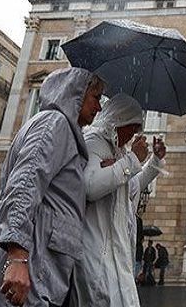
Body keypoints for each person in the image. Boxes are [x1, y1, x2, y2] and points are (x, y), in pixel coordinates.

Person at [0, 67, 103, 307]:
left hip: (44, 256)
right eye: (96, 97)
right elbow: (25, 184)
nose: (99, 107)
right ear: (77, 93)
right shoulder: (54, 123)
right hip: (34, 253)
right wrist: (18, 255)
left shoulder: (66, 131)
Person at [70, 93, 166, 306]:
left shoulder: (120, 151)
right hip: (97, 249)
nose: (135, 133)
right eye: (133, 126)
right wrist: (132, 159)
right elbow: (91, 187)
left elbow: (132, 188)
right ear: (119, 121)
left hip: (118, 248)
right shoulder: (93, 141)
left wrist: (154, 161)